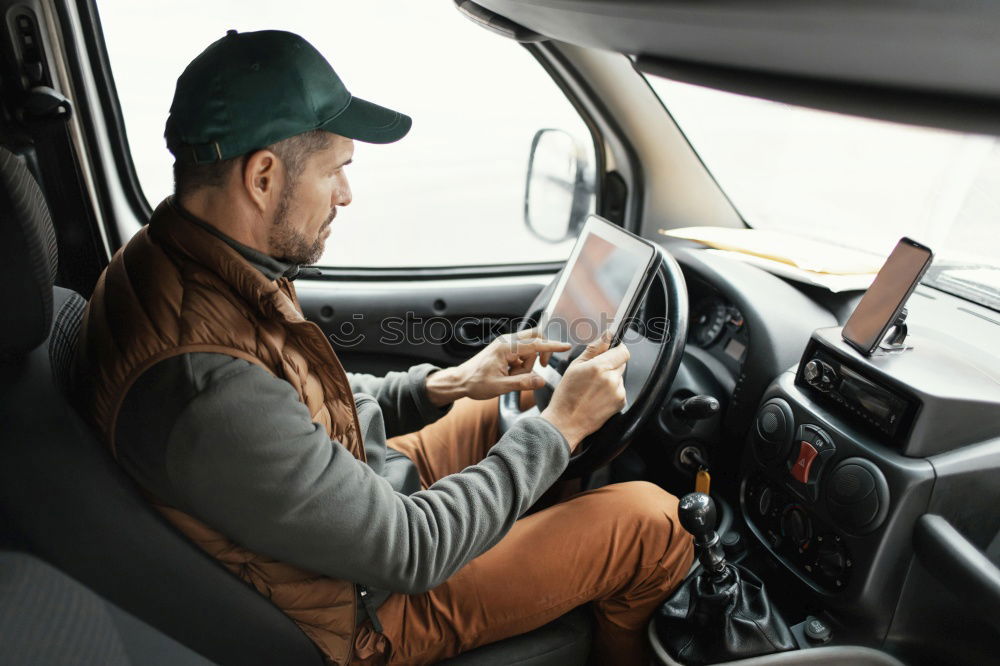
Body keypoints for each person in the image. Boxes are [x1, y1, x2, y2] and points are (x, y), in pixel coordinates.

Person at [74, 29, 693, 665]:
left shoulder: (184, 259)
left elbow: (296, 404)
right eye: (336, 170)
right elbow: (412, 549)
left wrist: (443, 386)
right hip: (361, 609)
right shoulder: (205, 384)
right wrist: (561, 431)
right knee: (653, 522)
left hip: (347, 520)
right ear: (262, 176)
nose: (346, 195)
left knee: (519, 398)